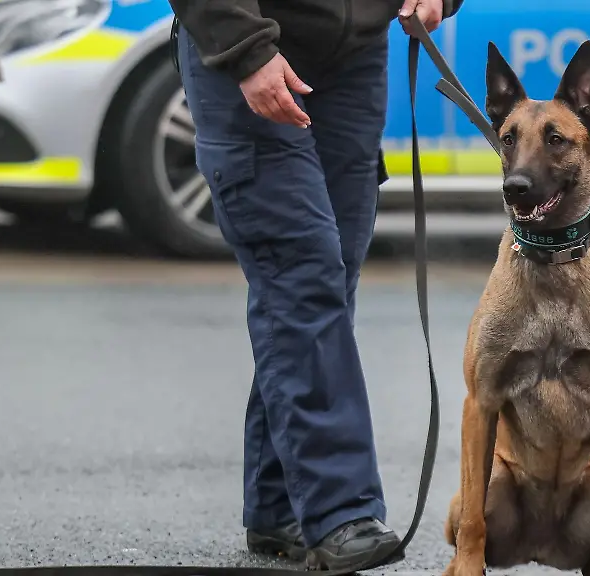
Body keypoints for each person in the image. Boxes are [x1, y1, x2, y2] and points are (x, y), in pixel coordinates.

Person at [167, 0, 464, 570]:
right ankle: (339, 510)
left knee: (330, 281)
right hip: (253, 49)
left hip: (354, 58)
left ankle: (279, 505)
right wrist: (246, 50)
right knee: (302, 276)